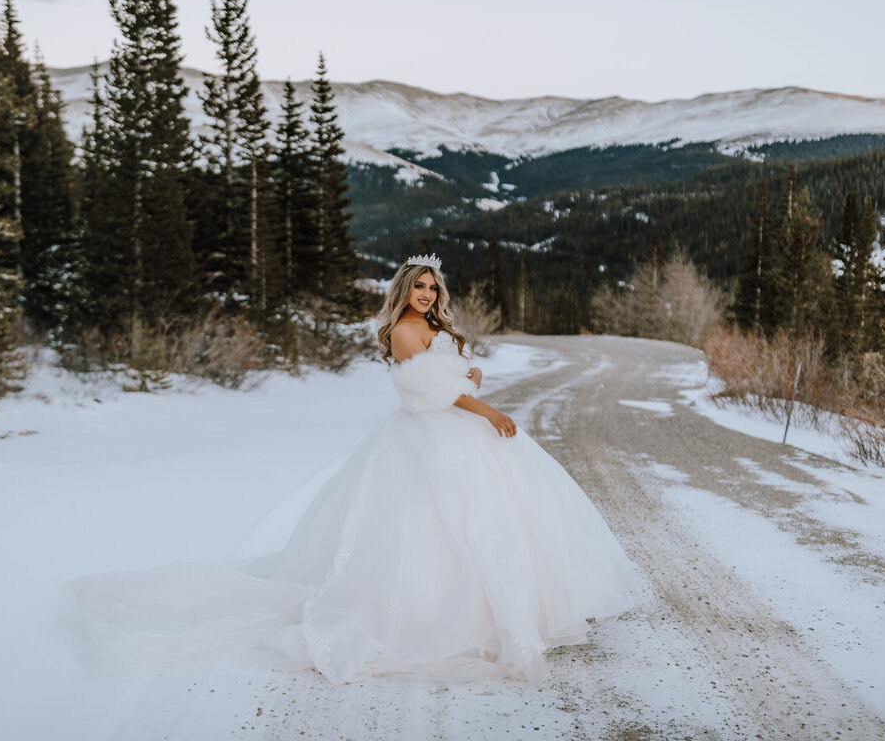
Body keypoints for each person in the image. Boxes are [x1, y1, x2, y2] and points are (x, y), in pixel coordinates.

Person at [65, 254, 640, 684]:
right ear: (402, 290)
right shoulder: (403, 331)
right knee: (434, 526)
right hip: (431, 437)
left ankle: (519, 606)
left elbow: (457, 374)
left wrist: (473, 379)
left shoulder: (437, 328)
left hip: (460, 433)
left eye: (432, 286)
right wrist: (485, 406)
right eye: (417, 285)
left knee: (498, 518)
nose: (425, 293)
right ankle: (436, 616)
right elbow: (432, 394)